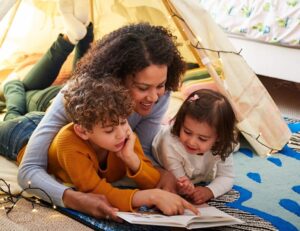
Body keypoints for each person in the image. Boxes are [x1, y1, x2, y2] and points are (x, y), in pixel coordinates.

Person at [17, 0, 186, 220]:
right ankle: (17, 85)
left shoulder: (158, 96)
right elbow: (29, 170)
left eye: (160, 86)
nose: (154, 97)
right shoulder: (73, 96)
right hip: (34, 118)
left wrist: (160, 174)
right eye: (143, 88)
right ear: (117, 78)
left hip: (79, 127)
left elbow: (139, 150)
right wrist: (74, 198)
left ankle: (81, 35)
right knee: (21, 97)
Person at [0, 76, 198, 217]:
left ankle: (15, 89)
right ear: (83, 131)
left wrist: (132, 160)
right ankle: (13, 86)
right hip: (21, 135)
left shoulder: (125, 135)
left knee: (18, 110)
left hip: (55, 126)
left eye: (122, 122)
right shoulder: (70, 145)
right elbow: (96, 191)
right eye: (110, 130)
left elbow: (152, 179)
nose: (121, 133)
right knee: (13, 113)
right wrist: (151, 196)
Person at [152, 89, 238, 205]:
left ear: (219, 137)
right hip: (160, 149)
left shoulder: (224, 145)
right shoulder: (169, 143)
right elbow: (179, 182)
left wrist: (210, 191)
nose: (191, 142)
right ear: (181, 123)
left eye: (202, 138)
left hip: (220, 144)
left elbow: (227, 177)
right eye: (187, 132)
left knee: (232, 145)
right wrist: (185, 186)